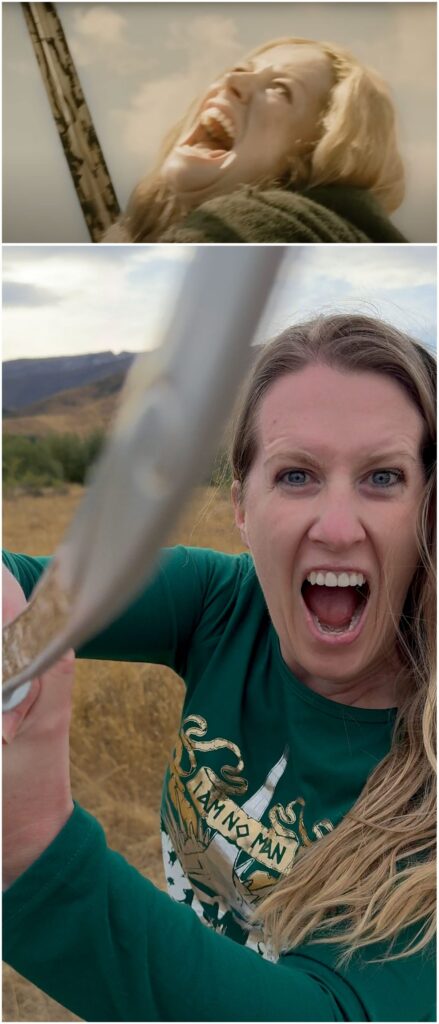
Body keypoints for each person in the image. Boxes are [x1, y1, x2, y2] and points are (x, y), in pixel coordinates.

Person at [3, 314, 436, 1022]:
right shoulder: (221, 604)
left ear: (428, 510)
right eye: (295, 475)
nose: (335, 527)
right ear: (241, 506)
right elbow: (28, 586)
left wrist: (32, 848)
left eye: (382, 477)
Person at [103, 37, 408, 245]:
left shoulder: (252, 225)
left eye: (281, 89)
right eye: (241, 69)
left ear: (312, 156)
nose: (231, 80)